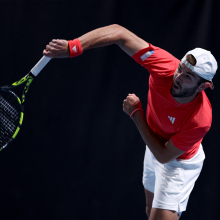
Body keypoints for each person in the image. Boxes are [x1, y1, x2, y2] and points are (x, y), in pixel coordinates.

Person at [43, 24, 218, 220]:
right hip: (155, 144)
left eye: (188, 77)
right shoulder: (165, 67)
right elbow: (119, 33)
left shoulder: (200, 120)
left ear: (203, 86)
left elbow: (164, 155)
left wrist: (136, 114)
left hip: (177, 162)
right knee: (149, 210)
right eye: (180, 68)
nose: (178, 77)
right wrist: (73, 46)